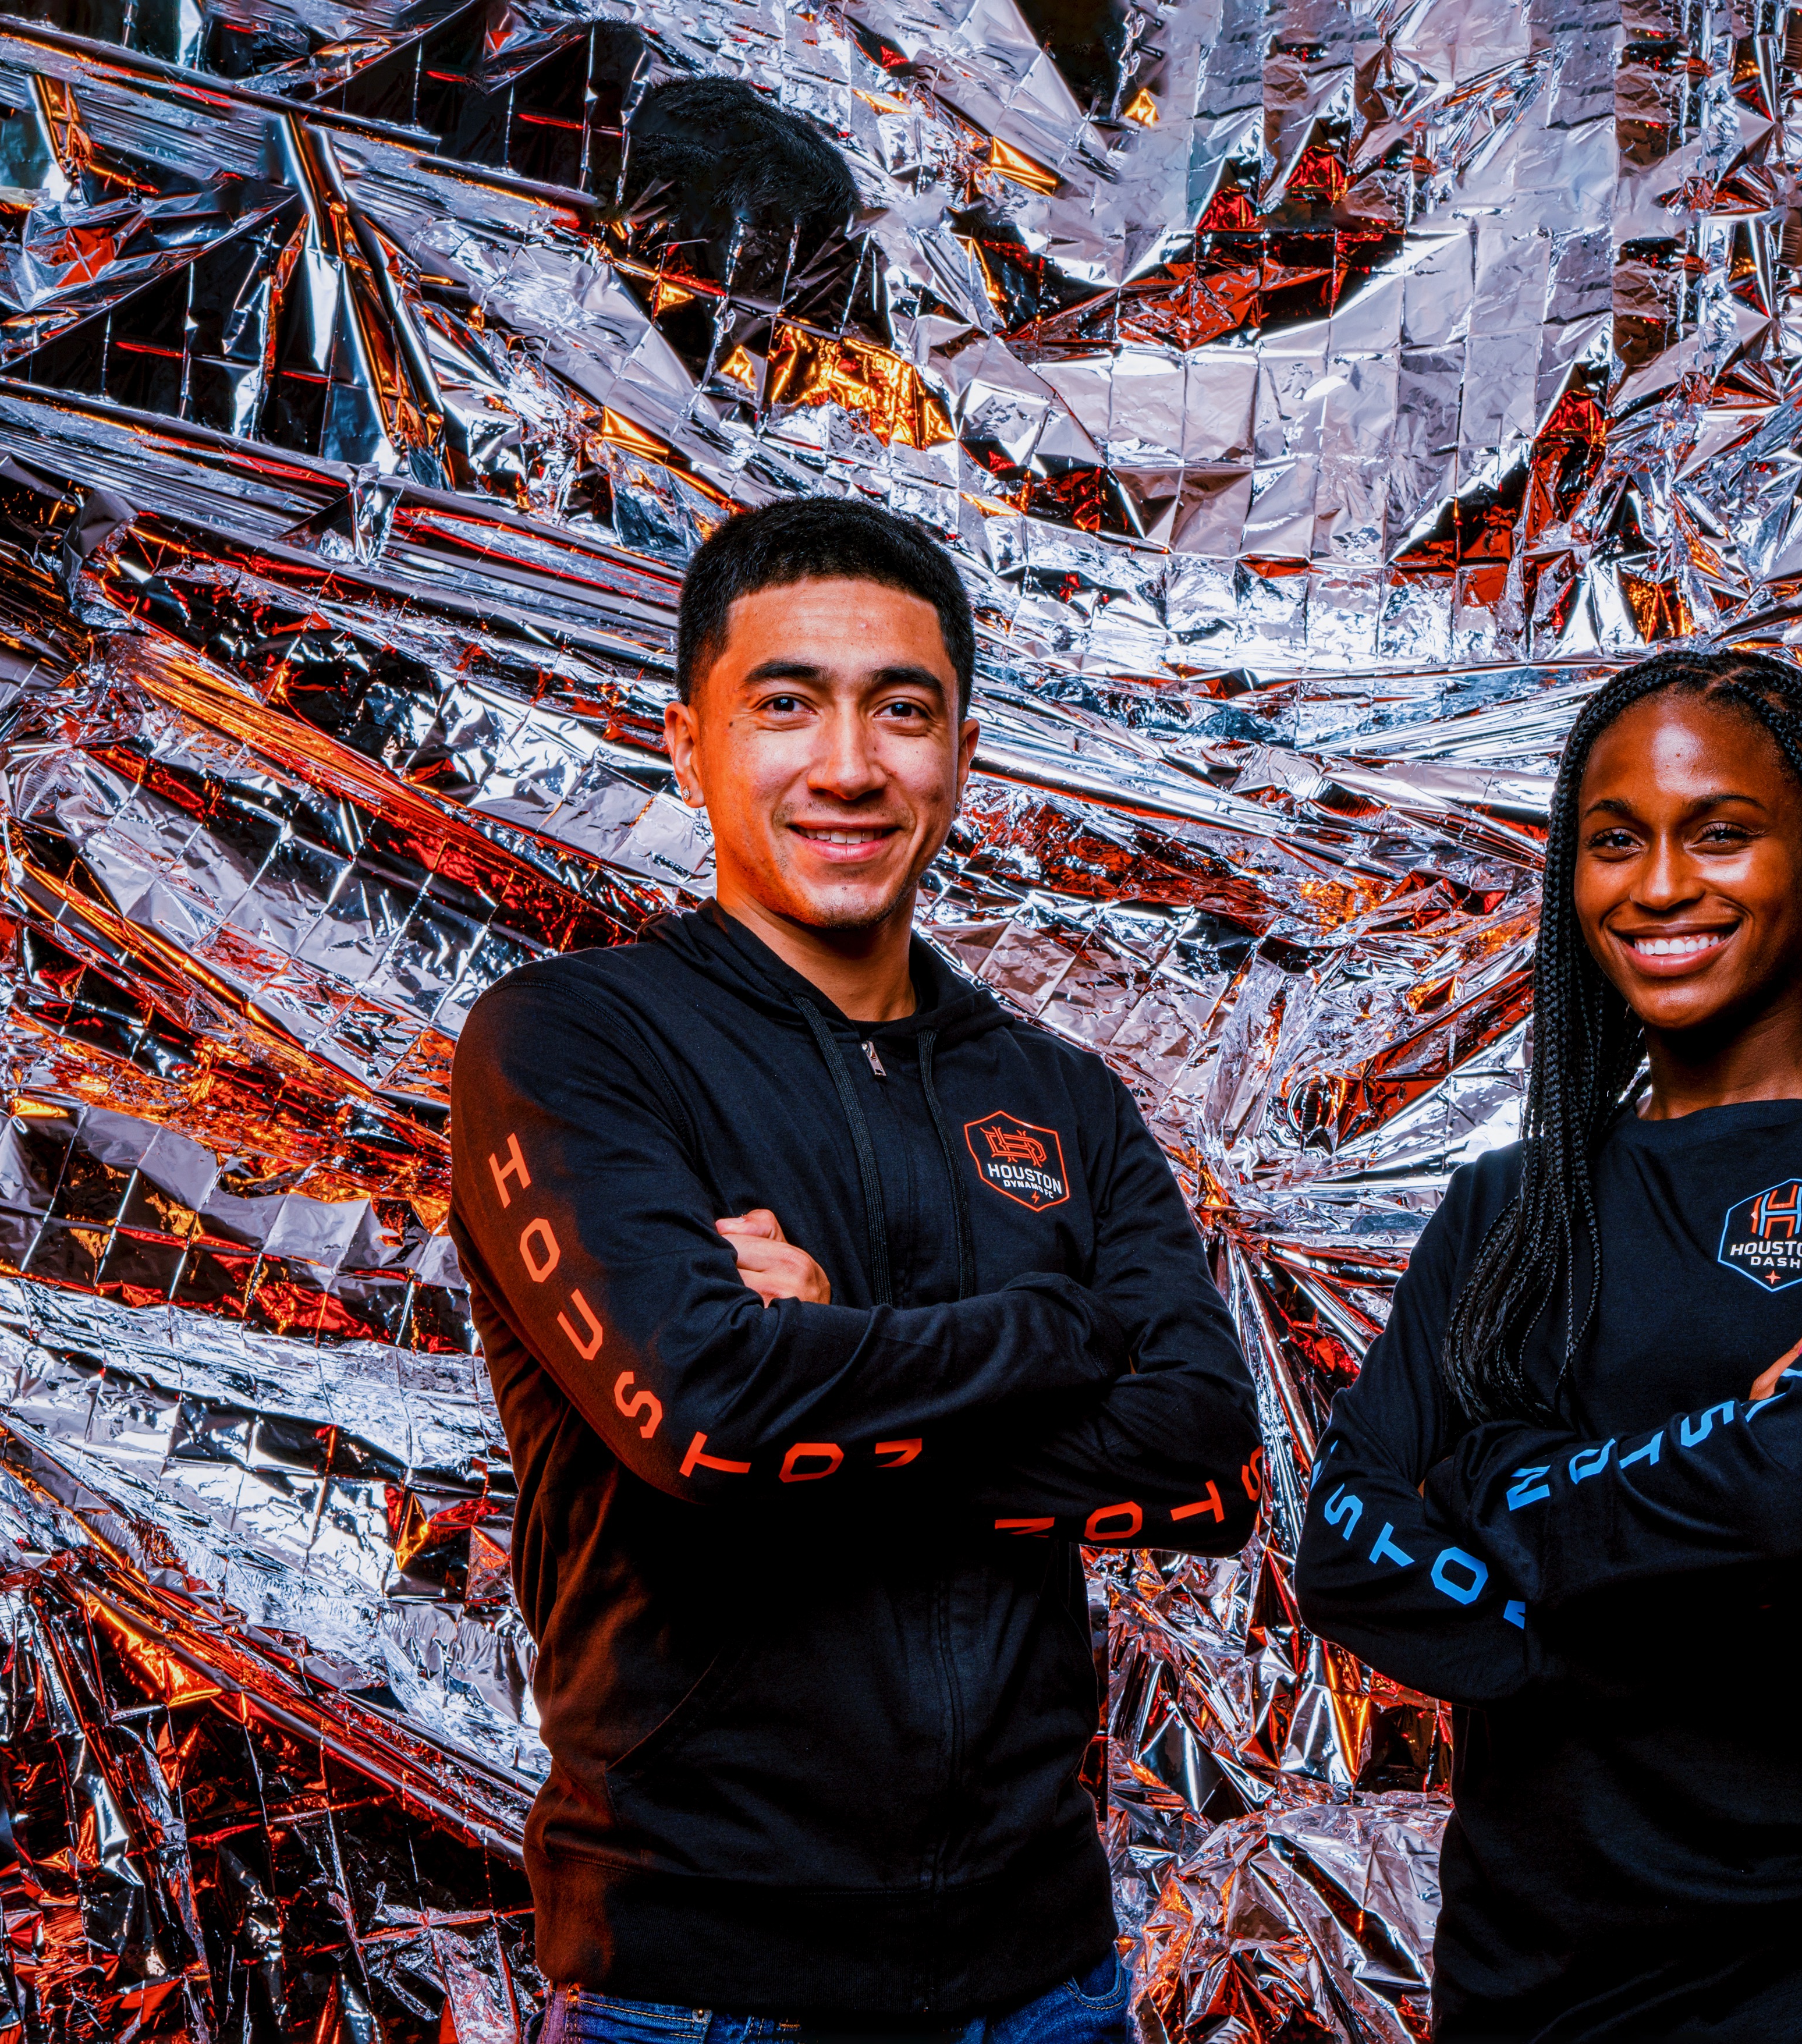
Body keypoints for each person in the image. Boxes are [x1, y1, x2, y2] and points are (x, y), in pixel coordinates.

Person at [449, 496, 1262, 2042]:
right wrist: (1054, 1324)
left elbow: (1207, 1467)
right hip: (698, 1993)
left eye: (902, 710)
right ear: (689, 744)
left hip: (1045, 1987)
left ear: (959, 753)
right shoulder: (574, 1043)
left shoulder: (1060, 1095)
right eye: (785, 704)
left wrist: (829, 1370)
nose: (846, 764)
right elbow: (706, 1415)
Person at [1293, 648, 1802, 2041]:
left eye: (1718, 833)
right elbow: (1346, 1543)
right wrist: (1700, 1545)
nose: (1656, 886)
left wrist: (1486, 1488)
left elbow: (1788, 1503)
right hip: (1526, 1985)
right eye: (1612, 842)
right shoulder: (1506, 1211)